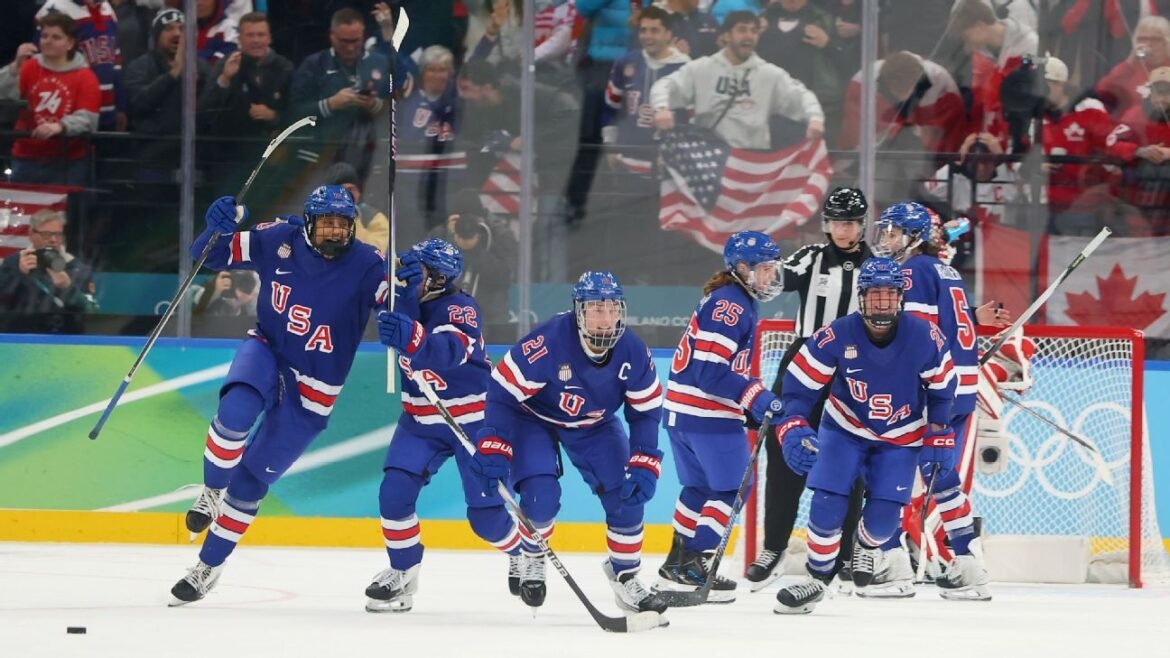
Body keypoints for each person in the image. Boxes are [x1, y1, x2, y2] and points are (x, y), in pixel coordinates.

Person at [169, 185, 387, 605]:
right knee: (235, 412)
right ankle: (211, 490)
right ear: (308, 222)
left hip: (315, 388)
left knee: (249, 484)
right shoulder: (277, 238)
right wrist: (215, 228)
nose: (334, 231)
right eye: (326, 223)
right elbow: (208, 255)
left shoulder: (368, 263)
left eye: (342, 224)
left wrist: (405, 309)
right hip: (268, 349)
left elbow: (394, 307)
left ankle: (208, 567)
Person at [468, 271, 669, 618]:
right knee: (540, 499)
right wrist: (495, 443)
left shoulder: (633, 351)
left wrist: (645, 459)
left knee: (628, 496)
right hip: (533, 418)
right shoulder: (548, 342)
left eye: (612, 309)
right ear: (579, 311)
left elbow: (646, 410)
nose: (606, 318)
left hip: (595, 425)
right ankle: (533, 554)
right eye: (597, 309)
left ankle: (625, 575)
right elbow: (502, 392)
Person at [772, 256, 957, 614]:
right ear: (861, 298)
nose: (882, 303)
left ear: (901, 298)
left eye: (889, 295)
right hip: (844, 428)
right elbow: (798, 388)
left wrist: (939, 434)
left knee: (884, 522)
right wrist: (792, 423)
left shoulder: (925, 336)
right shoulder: (836, 334)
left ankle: (866, 546)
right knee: (826, 505)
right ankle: (817, 578)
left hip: (901, 435)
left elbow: (942, 391)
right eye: (875, 295)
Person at [863, 201, 1012, 600]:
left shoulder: (911, 272)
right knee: (943, 478)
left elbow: (915, 335)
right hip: (959, 390)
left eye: (894, 232)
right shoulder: (947, 270)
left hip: (926, 392)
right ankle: (969, 564)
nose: (886, 239)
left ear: (914, 237)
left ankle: (892, 564)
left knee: (884, 470)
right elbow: (950, 325)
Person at [364, 238, 521, 613]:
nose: (409, 276)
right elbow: (360, 284)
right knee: (393, 495)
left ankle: (522, 550)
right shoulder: (402, 297)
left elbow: (446, 353)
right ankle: (403, 572)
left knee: (486, 519)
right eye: (409, 268)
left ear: (438, 278)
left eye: (417, 271)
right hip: (420, 419)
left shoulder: (460, 308)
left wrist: (411, 334)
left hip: (472, 421)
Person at [745, 187, 872, 591]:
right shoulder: (811, 257)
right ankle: (774, 548)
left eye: (850, 222)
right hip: (803, 364)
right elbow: (778, 278)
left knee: (851, 459)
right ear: (827, 224)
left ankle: (847, 553)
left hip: (853, 369)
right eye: (836, 222)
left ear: (862, 224)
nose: (843, 229)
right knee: (783, 450)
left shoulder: (877, 266)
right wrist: (756, 269)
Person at [655, 230, 786, 604]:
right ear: (742, 268)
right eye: (764, 269)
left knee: (698, 489)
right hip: (706, 414)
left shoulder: (729, 298)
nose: (770, 276)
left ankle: (677, 562)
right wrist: (754, 397)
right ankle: (695, 562)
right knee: (733, 488)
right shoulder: (731, 305)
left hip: (683, 413)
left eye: (772, 268)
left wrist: (744, 404)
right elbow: (710, 373)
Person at [650, 10, 825, 149]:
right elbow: (665, 85)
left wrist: (815, 119)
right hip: (709, 160)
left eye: (754, 31)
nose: (749, 36)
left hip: (749, 163)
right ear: (726, 35)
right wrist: (662, 108)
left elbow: (801, 95)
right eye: (742, 30)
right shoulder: (702, 68)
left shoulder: (769, 74)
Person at [288, 8, 390, 185]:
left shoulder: (380, 62)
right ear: (332, 35)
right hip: (320, 156)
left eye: (355, 40)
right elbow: (294, 112)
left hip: (367, 155)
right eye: (344, 41)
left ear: (363, 35)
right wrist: (330, 104)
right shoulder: (314, 65)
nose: (350, 47)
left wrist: (374, 104)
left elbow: (396, 109)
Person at [0, 13, 100, 187]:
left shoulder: (86, 77)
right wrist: (14, 68)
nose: (48, 41)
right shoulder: (29, 66)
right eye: (44, 36)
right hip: (26, 156)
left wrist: (61, 126)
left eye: (56, 37)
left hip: (68, 161)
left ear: (70, 43)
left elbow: (88, 119)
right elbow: (4, 96)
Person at [601, 5, 690, 173]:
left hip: (669, 165)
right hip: (625, 160)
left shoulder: (686, 67)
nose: (648, 36)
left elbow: (691, 118)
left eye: (654, 30)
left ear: (668, 34)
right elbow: (611, 107)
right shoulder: (625, 62)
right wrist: (610, 145)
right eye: (643, 30)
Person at [426, 191, 517, 326]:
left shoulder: (499, 234)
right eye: (460, 221)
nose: (465, 226)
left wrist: (475, 250)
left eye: (470, 221)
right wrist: (451, 240)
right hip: (447, 315)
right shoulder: (440, 234)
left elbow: (504, 277)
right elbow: (427, 278)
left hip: (490, 317)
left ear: (480, 220)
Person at [0, 209, 97, 333]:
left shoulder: (77, 268)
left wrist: (67, 288)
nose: (53, 240)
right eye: (46, 234)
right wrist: (19, 274)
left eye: (58, 234)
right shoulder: (13, 263)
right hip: (21, 335)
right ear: (31, 234)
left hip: (65, 336)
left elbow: (90, 313)